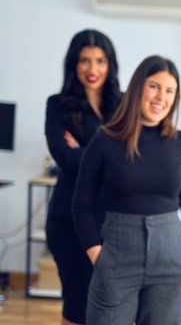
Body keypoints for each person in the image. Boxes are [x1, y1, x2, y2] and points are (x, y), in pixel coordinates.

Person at [72, 55, 181, 324]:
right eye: (153, 86)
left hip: (171, 260)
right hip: (116, 255)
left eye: (169, 91)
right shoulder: (104, 140)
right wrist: (100, 258)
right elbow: (81, 207)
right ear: (138, 88)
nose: (160, 97)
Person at [45, 29, 121, 325]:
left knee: (112, 305)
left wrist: (84, 151)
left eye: (100, 61)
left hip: (114, 220)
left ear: (109, 64)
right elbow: (64, 158)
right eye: (85, 61)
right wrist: (106, 156)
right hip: (69, 221)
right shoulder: (57, 105)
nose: (92, 69)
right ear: (73, 64)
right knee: (77, 304)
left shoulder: (123, 104)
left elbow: (132, 158)